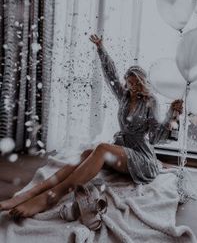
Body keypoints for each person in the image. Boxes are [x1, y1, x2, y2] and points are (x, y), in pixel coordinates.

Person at [0, 34, 183, 219]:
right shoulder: (124, 97)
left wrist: (172, 116)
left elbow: (155, 137)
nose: (131, 85)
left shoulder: (151, 101)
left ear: (143, 82)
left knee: (102, 148)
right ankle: (30, 193)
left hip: (142, 159)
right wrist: (101, 48)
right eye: (129, 81)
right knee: (89, 153)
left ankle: (51, 197)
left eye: (135, 81)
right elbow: (110, 74)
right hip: (124, 151)